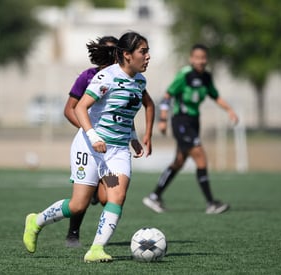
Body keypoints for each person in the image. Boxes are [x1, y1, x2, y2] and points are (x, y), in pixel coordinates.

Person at [23, 31, 153, 262]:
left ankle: (96, 249)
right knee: (78, 205)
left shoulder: (140, 81)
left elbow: (124, 112)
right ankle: (36, 221)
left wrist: (134, 137)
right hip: (89, 147)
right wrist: (93, 137)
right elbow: (80, 108)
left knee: (117, 196)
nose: (148, 56)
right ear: (127, 54)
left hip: (118, 150)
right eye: (143, 51)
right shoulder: (106, 78)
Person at [142, 43, 238, 214]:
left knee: (179, 161)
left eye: (203, 58)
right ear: (191, 58)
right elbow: (167, 95)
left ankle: (154, 196)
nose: (201, 61)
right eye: (197, 57)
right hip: (181, 121)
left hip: (194, 121)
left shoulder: (206, 77)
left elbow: (215, 96)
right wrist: (163, 119)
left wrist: (230, 110)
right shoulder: (184, 75)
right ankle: (211, 203)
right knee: (200, 156)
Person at [63, 36, 119, 248]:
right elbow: (70, 109)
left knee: (107, 198)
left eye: (116, 51)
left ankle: (97, 192)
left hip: (112, 147)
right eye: (109, 51)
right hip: (90, 145)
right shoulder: (88, 76)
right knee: (80, 200)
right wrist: (90, 132)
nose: (113, 56)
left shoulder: (123, 78)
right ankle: (73, 233)